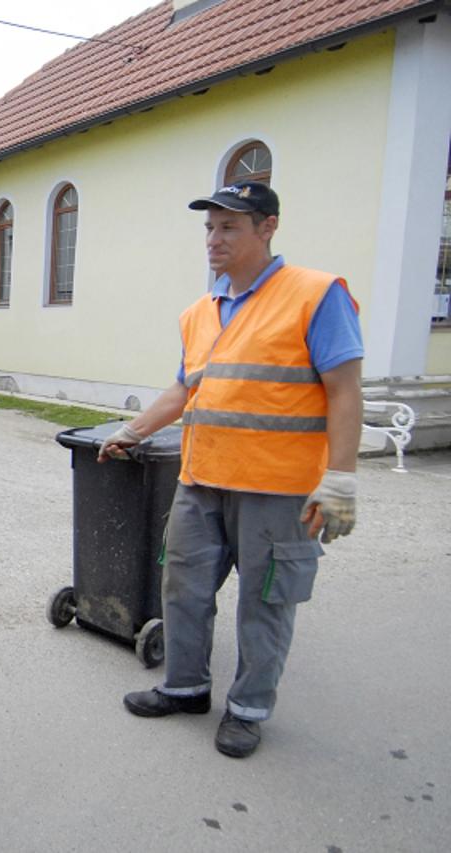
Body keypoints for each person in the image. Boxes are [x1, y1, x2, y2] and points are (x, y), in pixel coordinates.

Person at [99, 181, 363, 758]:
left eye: (229, 227)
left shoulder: (317, 295)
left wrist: (341, 477)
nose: (214, 240)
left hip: (279, 489)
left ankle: (247, 710)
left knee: (265, 603)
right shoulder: (201, 311)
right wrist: (132, 430)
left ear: (267, 228)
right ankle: (186, 686)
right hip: (200, 481)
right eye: (209, 228)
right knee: (183, 588)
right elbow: (184, 389)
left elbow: (344, 391)